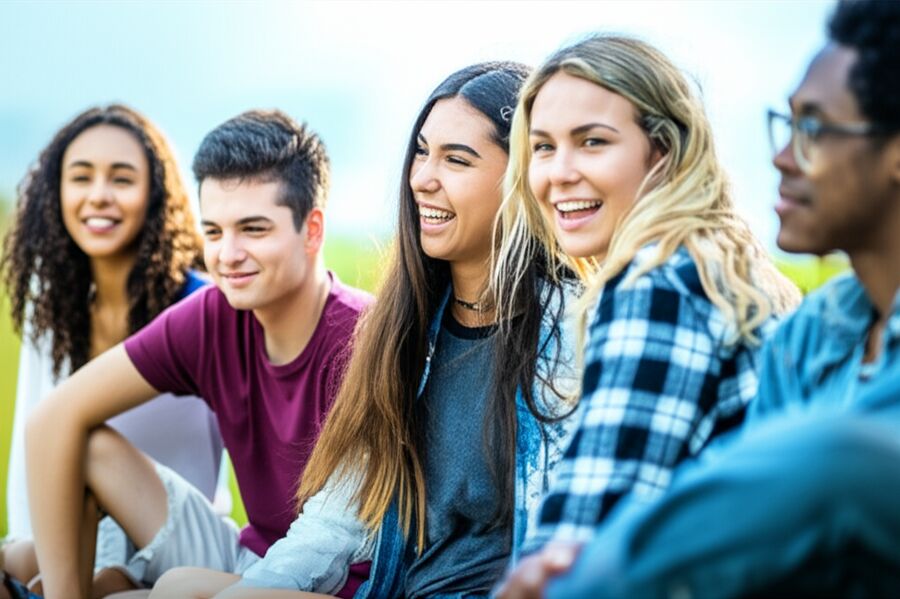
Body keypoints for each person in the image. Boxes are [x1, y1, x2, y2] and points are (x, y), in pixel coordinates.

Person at [497, 1, 900, 597]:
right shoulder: (811, 328)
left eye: (592, 142)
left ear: (662, 152)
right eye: (543, 147)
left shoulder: (662, 284)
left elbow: (577, 542)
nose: (559, 172)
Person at [149, 61, 581, 599]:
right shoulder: (405, 330)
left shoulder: (571, 333)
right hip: (398, 591)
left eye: (457, 159)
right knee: (178, 587)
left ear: (522, 177)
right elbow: (337, 522)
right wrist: (255, 588)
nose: (423, 177)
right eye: (422, 151)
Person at [24, 109, 373, 599]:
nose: (227, 255)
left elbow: (338, 548)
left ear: (312, 230)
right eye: (213, 232)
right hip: (245, 554)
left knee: (175, 589)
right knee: (83, 444)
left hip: (339, 583)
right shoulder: (212, 314)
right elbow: (52, 419)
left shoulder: (365, 339)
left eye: (253, 229)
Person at [0, 104, 222, 595]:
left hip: (167, 538)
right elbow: (29, 451)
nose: (98, 196)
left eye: (121, 179)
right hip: (74, 533)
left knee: (98, 581)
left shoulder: (203, 307)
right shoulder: (54, 310)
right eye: (81, 178)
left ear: (155, 195)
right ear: (55, 193)